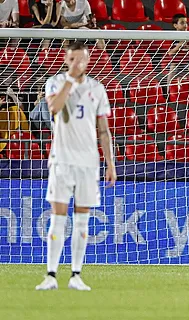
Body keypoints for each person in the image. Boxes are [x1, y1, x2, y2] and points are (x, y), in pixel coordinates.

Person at [35, 41, 117, 291]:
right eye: (72, 60)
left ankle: (75, 275)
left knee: (82, 221)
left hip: (88, 163)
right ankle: (50, 275)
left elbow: (104, 130)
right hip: (61, 160)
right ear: (66, 60)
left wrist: (110, 164)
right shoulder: (55, 83)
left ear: (88, 61)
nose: (77, 64)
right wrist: (70, 80)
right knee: (57, 219)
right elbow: (54, 108)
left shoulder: (97, 89)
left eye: (81, 60)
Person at [166, 14, 189, 85]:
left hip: (188, 62)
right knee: (172, 70)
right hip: (175, 62)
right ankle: (168, 91)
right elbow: (170, 53)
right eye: (182, 23)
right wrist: (179, 45)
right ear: (175, 25)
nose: (185, 25)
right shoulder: (171, 37)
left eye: (186, 23)